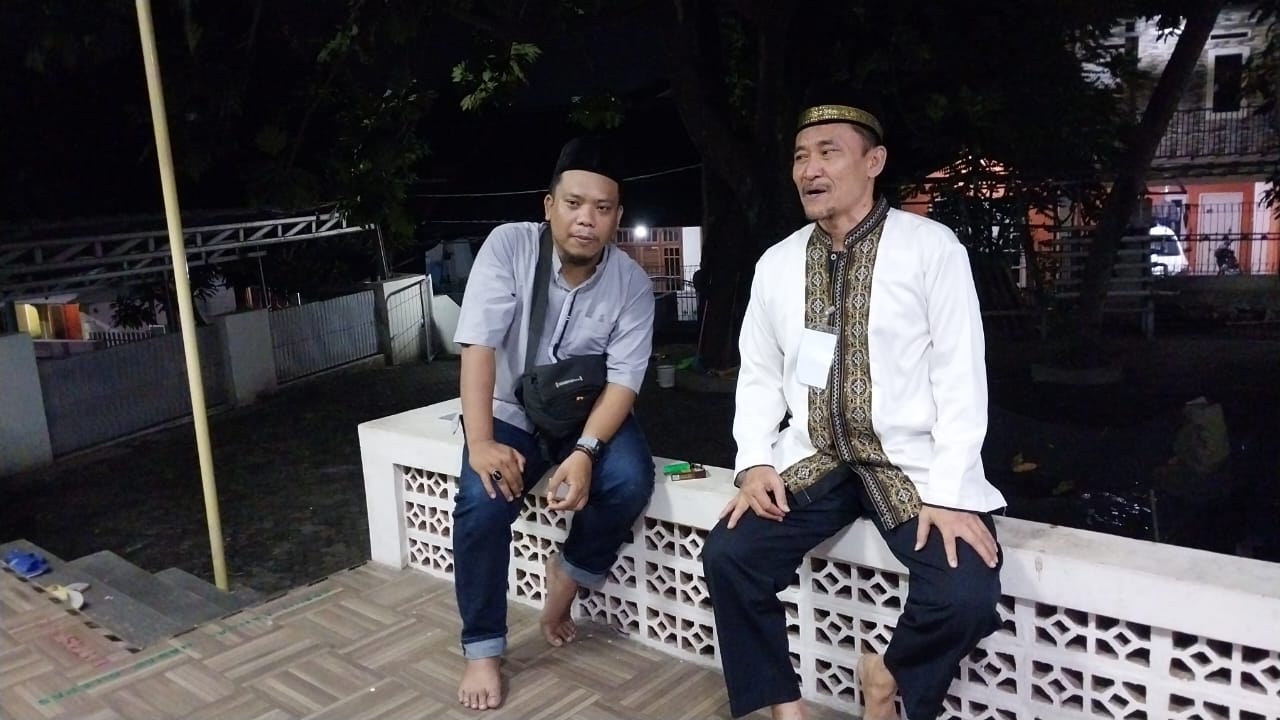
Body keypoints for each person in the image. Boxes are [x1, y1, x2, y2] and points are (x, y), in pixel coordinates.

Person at [701, 90, 1007, 720]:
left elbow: (961, 375)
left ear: (874, 162)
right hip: (814, 457)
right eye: (799, 156)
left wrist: (951, 491)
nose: (809, 169)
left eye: (828, 153)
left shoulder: (931, 248)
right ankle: (783, 706)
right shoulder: (777, 264)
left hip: (910, 464)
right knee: (730, 555)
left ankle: (887, 676)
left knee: (965, 593)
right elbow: (758, 374)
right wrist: (754, 461)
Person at [451, 136, 657, 710]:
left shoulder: (632, 285)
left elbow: (625, 382)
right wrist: (480, 442)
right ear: (549, 206)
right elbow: (478, 345)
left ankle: (568, 572)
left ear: (617, 216)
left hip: (584, 414)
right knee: (481, 503)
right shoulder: (509, 247)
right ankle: (483, 649)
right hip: (511, 412)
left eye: (602, 208)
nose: (586, 219)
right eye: (573, 203)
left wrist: (586, 452)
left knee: (629, 479)